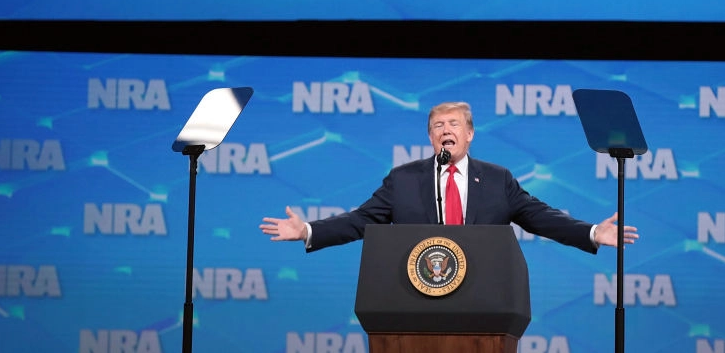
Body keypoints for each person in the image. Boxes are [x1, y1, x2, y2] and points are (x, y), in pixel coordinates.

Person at [261, 101, 638, 253]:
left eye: (454, 124)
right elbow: (361, 220)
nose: (446, 129)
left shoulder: (498, 180)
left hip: (484, 299)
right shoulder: (404, 179)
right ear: (430, 137)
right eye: (438, 125)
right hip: (417, 299)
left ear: (469, 134)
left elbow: (541, 217)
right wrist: (307, 230)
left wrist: (592, 232)